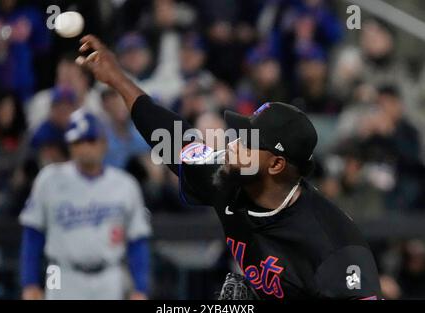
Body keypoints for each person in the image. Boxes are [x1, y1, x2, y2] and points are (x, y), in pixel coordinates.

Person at [76, 35, 381, 299]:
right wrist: (117, 78)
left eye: (248, 142)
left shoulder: (335, 246)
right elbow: (172, 137)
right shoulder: (227, 178)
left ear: (275, 164)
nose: (233, 144)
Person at [19, 111, 151, 300]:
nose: (85, 148)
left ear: (104, 143)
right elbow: (33, 235)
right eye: (78, 142)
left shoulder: (125, 184)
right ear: (70, 146)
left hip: (109, 273)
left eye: (90, 140)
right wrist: (29, 283)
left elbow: (137, 240)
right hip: (60, 272)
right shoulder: (49, 179)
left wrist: (141, 288)